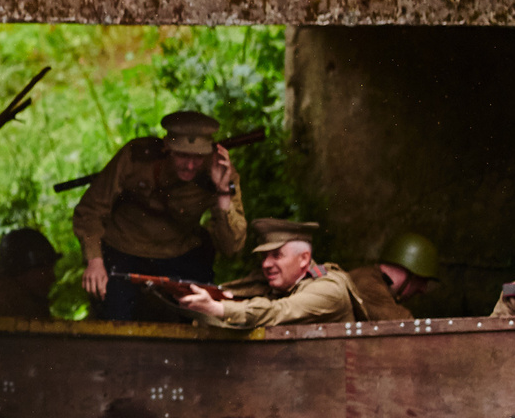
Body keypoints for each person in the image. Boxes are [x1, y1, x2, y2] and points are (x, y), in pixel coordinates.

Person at [73, 110, 247, 321]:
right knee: (114, 320)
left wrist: (222, 192)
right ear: (166, 147)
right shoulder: (136, 157)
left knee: (194, 319)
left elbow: (232, 246)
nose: (190, 165)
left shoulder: (220, 171)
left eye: (198, 157)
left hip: (180, 253)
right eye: (182, 155)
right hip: (123, 248)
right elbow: (91, 209)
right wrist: (94, 261)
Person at [174, 219, 363, 328]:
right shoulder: (274, 287)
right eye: (264, 257)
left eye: (277, 255)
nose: (266, 264)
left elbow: (278, 311)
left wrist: (217, 309)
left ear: (304, 259)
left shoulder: (328, 289)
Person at [343, 231, 440, 322]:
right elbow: (406, 326)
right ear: (410, 274)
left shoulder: (370, 278)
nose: (423, 289)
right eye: (422, 280)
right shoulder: (367, 284)